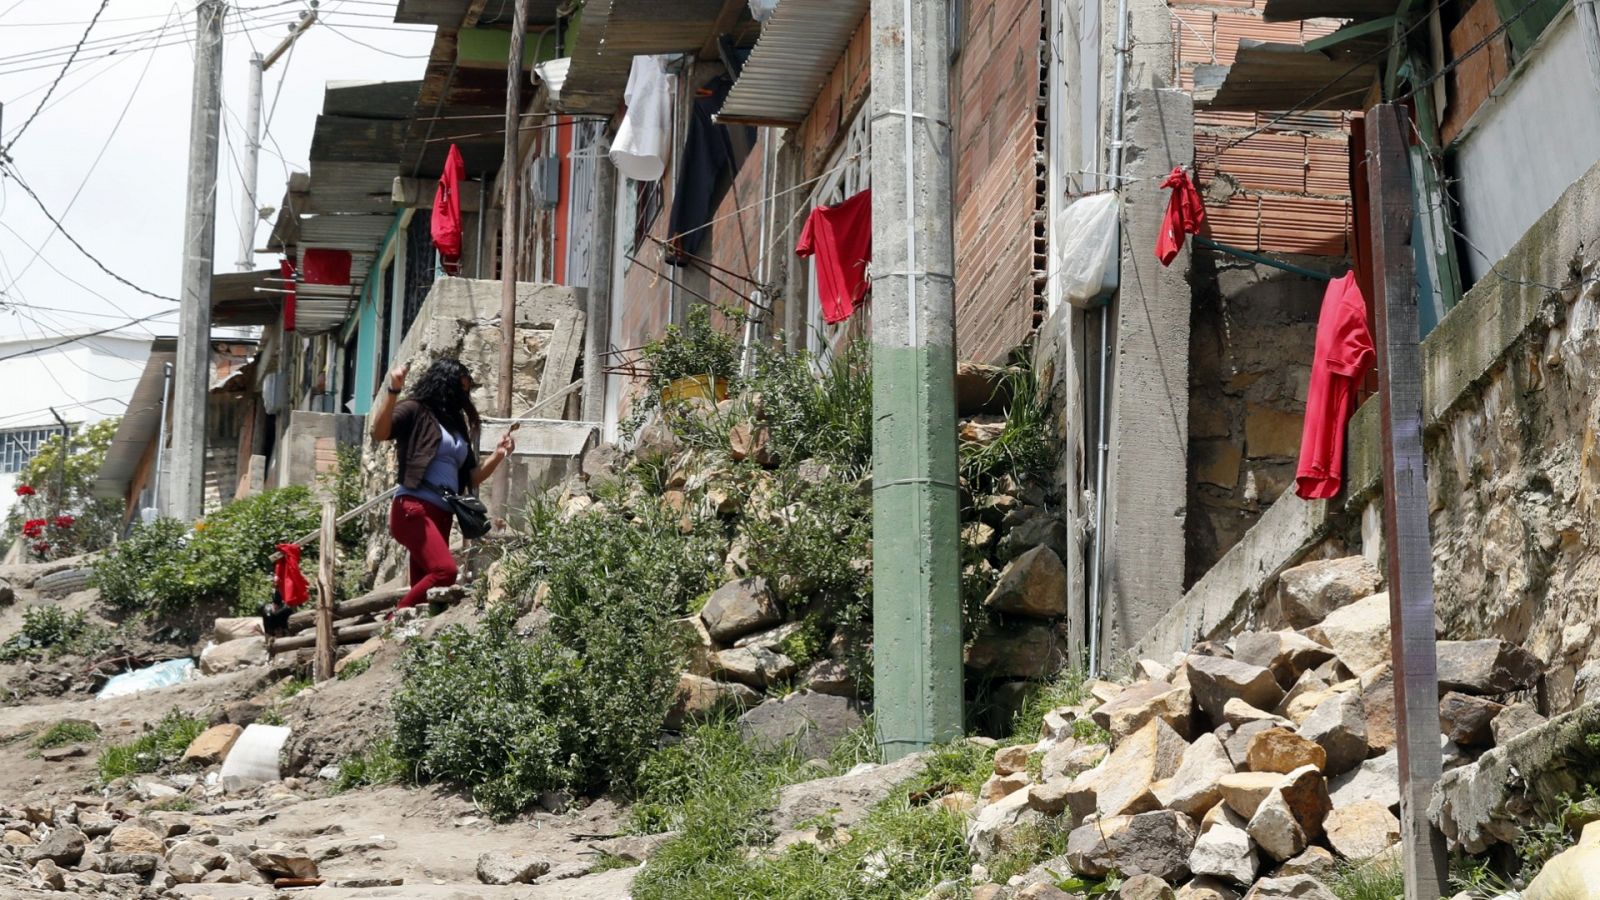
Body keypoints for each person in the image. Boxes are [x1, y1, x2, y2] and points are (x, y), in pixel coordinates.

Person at [370, 357, 514, 610]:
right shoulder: (415, 410)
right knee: (444, 573)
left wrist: (499, 454)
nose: (467, 389)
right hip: (414, 508)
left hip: (443, 514)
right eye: (464, 382)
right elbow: (379, 433)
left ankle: (409, 643)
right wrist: (393, 390)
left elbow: (471, 478)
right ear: (447, 380)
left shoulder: (456, 424)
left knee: (430, 594)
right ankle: (393, 625)